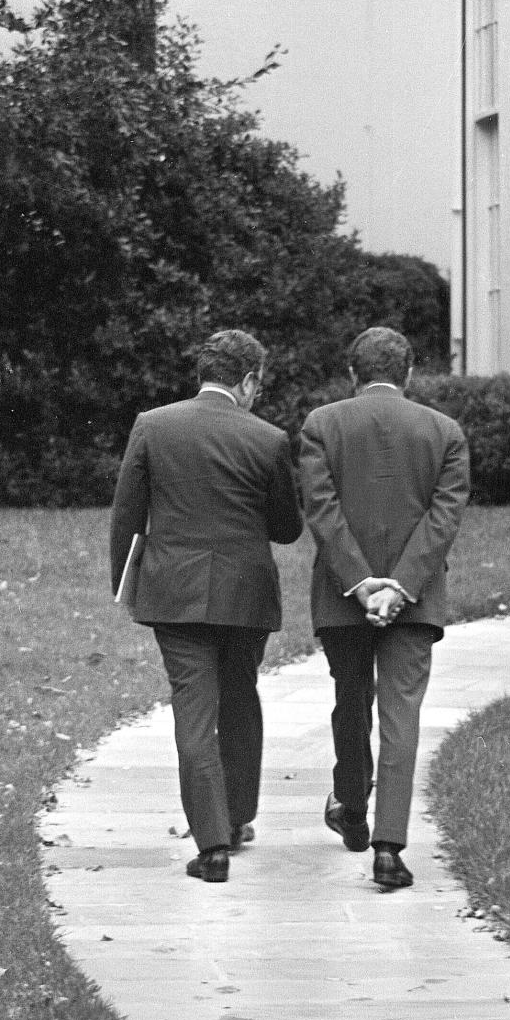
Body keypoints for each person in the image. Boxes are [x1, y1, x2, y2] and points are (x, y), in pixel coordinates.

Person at [109, 329, 303, 883]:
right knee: (240, 696)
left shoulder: (152, 425)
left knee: (193, 710)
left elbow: (127, 513)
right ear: (246, 381)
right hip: (246, 593)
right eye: (257, 385)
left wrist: (125, 586)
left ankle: (212, 844)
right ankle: (238, 818)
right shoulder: (269, 440)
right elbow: (288, 529)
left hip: (173, 591)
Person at [299, 326, 469, 889]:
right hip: (414, 602)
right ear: (411, 373)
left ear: (352, 373)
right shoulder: (444, 432)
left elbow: (321, 512)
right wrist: (401, 585)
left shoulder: (322, 424)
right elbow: (442, 520)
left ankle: (351, 805)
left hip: (343, 598)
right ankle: (389, 848)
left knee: (350, 704)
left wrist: (362, 584)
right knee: (402, 718)